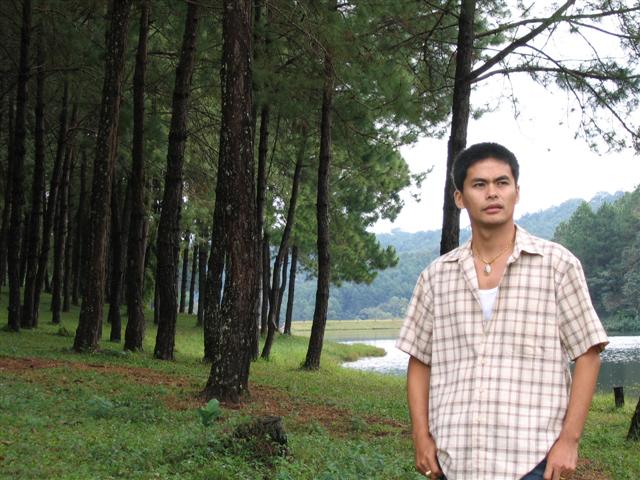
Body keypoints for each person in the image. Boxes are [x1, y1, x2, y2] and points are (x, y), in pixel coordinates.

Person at [396, 142, 608, 480]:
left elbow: (588, 353)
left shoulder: (557, 266)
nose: (492, 193)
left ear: (516, 192)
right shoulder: (436, 276)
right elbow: (420, 360)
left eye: (502, 183)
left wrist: (570, 440)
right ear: (460, 198)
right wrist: (421, 437)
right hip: (454, 459)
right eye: (479, 184)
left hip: (532, 461)